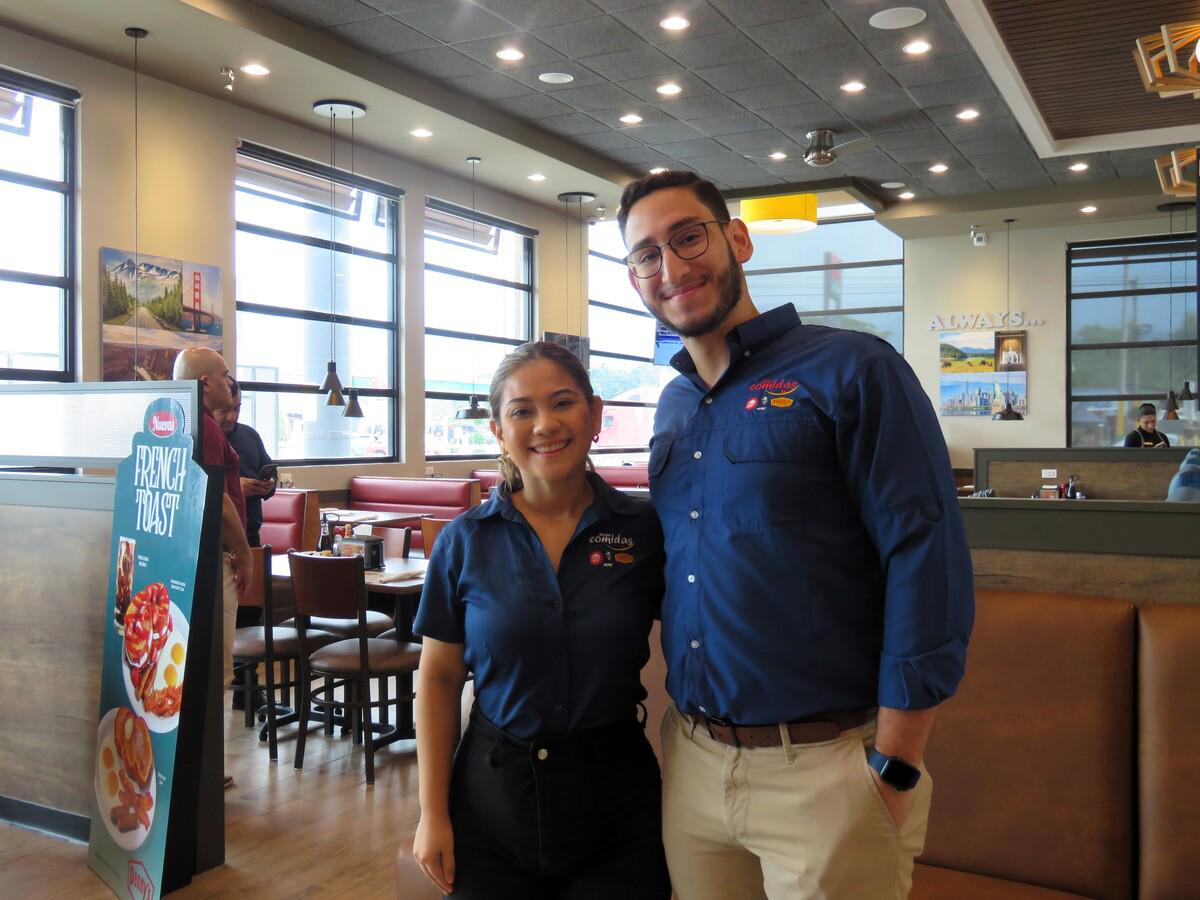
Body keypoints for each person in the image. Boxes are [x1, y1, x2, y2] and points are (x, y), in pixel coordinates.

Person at [618, 171, 975, 900]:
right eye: (647, 255)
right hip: (691, 761)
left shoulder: (853, 368)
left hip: (826, 770)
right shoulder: (675, 404)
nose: (673, 267)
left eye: (688, 236)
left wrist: (897, 765)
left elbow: (926, 560)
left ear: (737, 239)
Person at [411, 341, 671, 900]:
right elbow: (436, 679)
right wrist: (432, 811)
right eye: (522, 411)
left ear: (595, 414)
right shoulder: (464, 542)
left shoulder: (647, 531)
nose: (545, 424)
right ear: (499, 431)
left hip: (615, 799)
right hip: (491, 798)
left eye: (563, 403)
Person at [172, 347, 253, 789]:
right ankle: (204, 770)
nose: (230, 383)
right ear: (205, 383)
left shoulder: (177, 420)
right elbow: (218, 498)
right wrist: (243, 552)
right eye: (225, 376)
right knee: (216, 666)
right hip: (215, 558)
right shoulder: (204, 426)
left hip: (186, 558)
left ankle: (192, 765)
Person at [214, 380, 275, 710]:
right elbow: (214, 490)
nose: (232, 416)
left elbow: (270, 471)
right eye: (227, 409)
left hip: (250, 534)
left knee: (252, 614)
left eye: (237, 409)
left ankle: (247, 690)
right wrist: (238, 486)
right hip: (223, 543)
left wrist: (266, 486)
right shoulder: (206, 435)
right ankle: (234, 682)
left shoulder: (249, 436)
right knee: (229, 618)